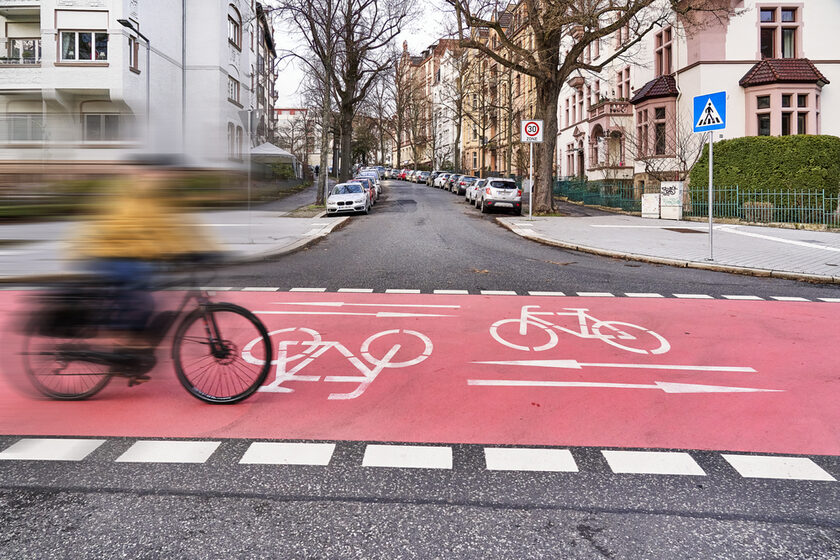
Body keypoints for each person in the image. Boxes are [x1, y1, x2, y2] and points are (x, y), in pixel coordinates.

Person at [69, 158, 221, 377]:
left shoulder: (160, 197)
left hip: (133, 256)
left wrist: (207, 251)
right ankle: (125, 352)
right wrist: (177, 251)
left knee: (147, 294)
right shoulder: (133, 195)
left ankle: (130, 349)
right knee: (142, 300)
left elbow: (183, 228)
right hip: (108, 253)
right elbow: (136, 230)